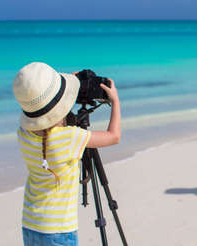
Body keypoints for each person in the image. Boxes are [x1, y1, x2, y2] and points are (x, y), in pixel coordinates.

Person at [13, 62, 121, 245]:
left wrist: (63, 95)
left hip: (31, 224)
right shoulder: (71, 138)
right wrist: (115, 101)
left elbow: (50, 121)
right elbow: (114, 136)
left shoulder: (24, 134)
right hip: (58, 230)